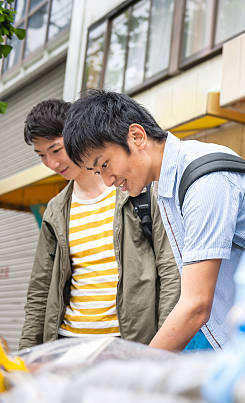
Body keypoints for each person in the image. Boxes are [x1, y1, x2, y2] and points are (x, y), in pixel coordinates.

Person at [61, 90, 245, 351]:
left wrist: (141, 367)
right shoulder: (168, 183)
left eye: (104, 164)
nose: (107, 181)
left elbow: (196, 305)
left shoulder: (204, 182)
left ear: (137, 137)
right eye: (96, 172)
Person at [19, 99, 181, 350]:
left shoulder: (139, 192)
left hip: (130, 345)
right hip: (68, 345)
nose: (51, 164)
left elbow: (171, 272)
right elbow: (39, 291)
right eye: (41, 155)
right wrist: (24, 358)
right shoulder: (55, 210)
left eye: (56, 150)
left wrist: (162, 351)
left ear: (76, 139)